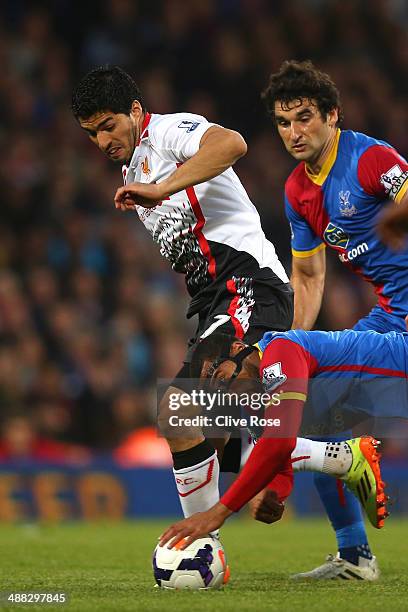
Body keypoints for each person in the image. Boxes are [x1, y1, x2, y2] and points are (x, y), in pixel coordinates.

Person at [71, 66, 372, 549]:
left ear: (133, 110)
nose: (102, 140)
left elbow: (232, 144)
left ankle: (199, 546)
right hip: (215, 300)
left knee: (187, 407)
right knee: (190, 425)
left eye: (108, 125)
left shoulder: (169, 132)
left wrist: (162, 188)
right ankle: (333, 460)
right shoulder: (132, 169)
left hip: (249, 285)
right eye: (91, 134)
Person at [259, 59, 408, 579]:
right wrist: (298, 347)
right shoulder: (298, 191)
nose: (294, 133)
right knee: (316, 411)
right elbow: (307, 278)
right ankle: (355, 556)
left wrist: (399, 214)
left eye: (304, 118)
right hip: (391, 319)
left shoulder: (370, 159)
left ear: (332, 115)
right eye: (283, 122)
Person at [159, 327, 399, 582]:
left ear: (238, 349)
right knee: (325, 443)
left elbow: (280, 443)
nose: (225, 393)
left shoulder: (279, 352)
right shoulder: (256, 402)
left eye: (221, 378)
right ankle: (356, 556)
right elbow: (280, 464)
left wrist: (216, 514)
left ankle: (348, 463)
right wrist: (273, 494)